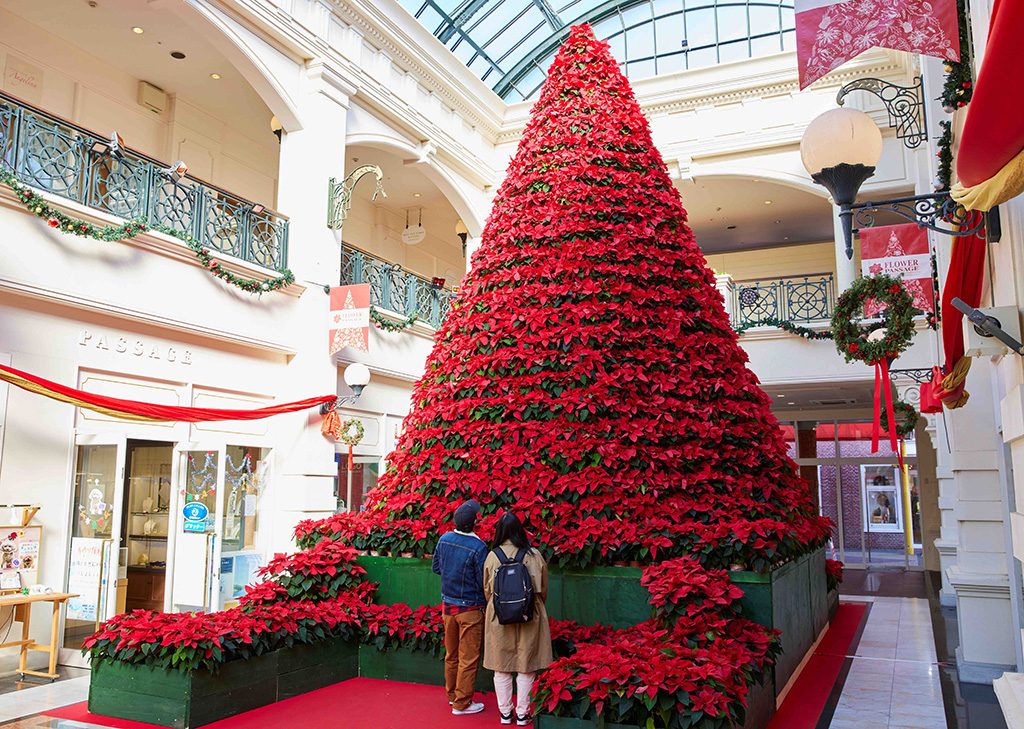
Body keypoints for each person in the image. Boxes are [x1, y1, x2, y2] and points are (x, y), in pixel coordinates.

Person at [483, 512, 553, 726]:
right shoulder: (534, 555)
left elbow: (487, 590)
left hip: (499, 616)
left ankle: (505, 713)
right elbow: (542, 589)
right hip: (530, 614)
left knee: (501, 666)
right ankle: (523, 714)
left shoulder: (493, 556)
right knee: (526, 665)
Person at [432, 499, 489, 716]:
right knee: (468, 658)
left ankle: (452, 696)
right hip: (471, 609)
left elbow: (436, 567)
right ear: (474, 523)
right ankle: (462, 703)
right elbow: (483, 580)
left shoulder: (444, 539)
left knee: (451, 654)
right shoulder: (479, 547)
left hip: (448, 606)